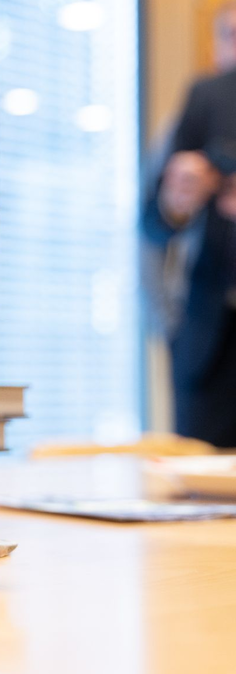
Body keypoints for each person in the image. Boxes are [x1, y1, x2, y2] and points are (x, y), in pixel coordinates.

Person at [145, 2, 236, 447]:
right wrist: (179, 200)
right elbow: (150, 227)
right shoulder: (193, 115)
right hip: (206, 339)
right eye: (231, 37)